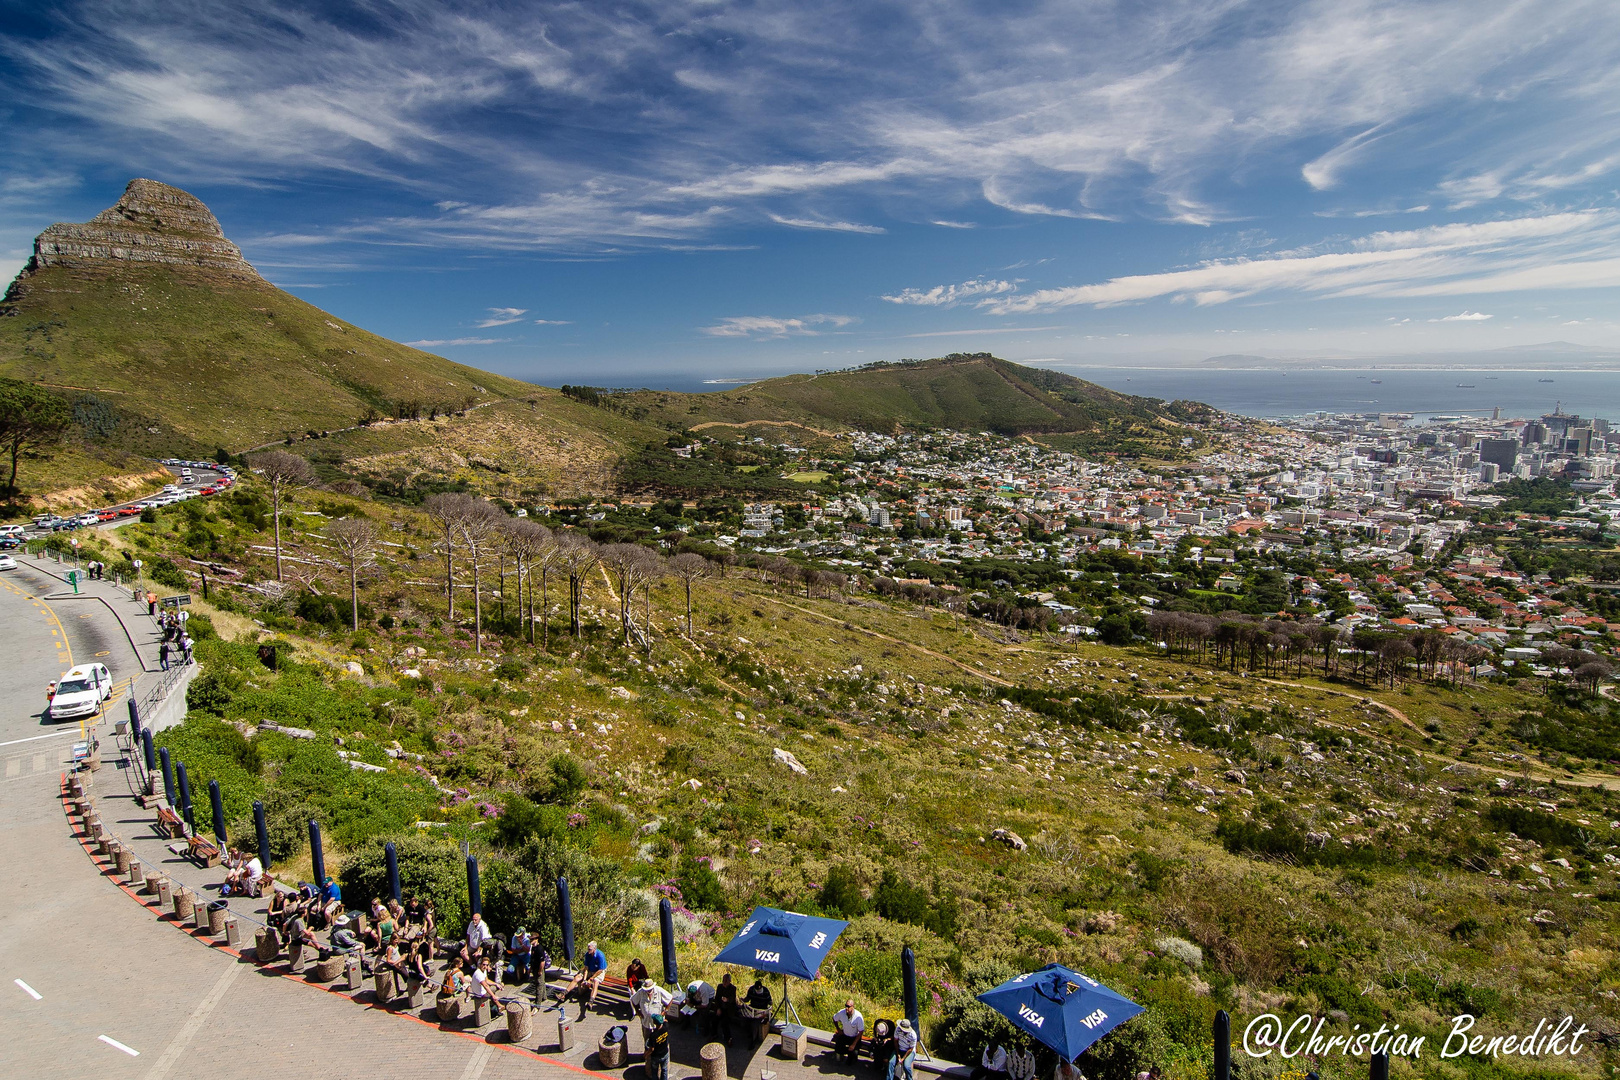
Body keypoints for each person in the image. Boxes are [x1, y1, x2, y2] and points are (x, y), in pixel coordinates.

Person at [832, 1000, 866, 1064]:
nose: (846, 1008)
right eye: (846, 1006)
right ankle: (840, 1055)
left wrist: (853, 1044)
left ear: (853, 1007)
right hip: (845, 1035)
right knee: (838, 1047)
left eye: (848, 1007)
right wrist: (838, 1029)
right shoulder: (841, 1013)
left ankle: (852, 1057)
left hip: (854, 1037)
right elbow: (834, 1018)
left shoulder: (858, 1017)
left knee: (852, 1058)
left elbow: (861, 1031)